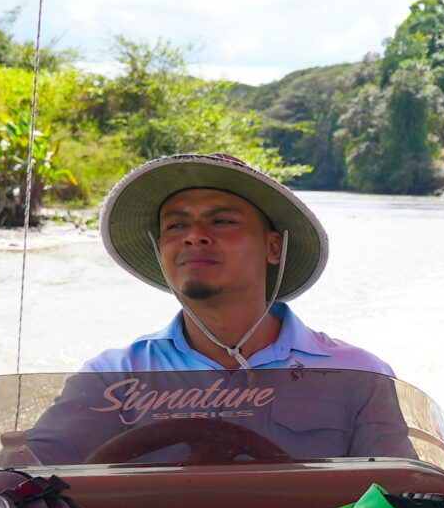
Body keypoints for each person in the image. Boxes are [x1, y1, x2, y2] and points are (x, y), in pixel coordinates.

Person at [21, 153, 406, 464]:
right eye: (175, 226)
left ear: (274, 248)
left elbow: (402, 501)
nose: (194, 236)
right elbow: (31, 472)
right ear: (161, 252)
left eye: (222, 221)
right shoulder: (115, 377)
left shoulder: (359, 376)